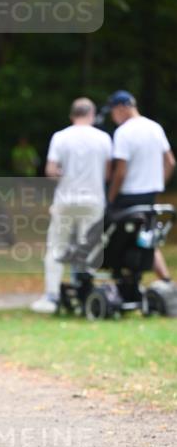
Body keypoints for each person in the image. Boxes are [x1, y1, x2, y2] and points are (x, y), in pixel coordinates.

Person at [30, 98, 112, 314]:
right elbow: (108, 172)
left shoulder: (60, 137)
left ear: (72, 115)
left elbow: (50, 170)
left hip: (66, 199)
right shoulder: (103, 138)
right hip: (93, 200)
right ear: (92, 115)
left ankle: (52, 296)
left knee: (56, 246)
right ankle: (86, 293)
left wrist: (63, 176)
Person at [106, 90, 175, 282]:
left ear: (122, 108)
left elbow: (120, 171)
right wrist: (158, 184)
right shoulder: (155, 128)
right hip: (150, 196)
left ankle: (121, 277)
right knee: (147, 238)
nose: (113, 116)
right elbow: (170, 162)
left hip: (128, 196)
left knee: (120, 238)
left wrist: (110, 199)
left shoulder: (123, 132)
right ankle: (166, 281)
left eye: (113, 111)